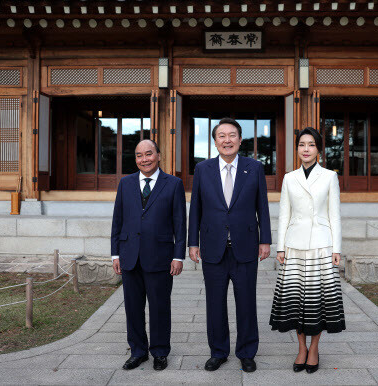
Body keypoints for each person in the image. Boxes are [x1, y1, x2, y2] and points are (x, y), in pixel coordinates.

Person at [188, 117, 272, 373]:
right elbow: (196, 210)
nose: (227, 140)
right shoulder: (202, 169)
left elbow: (262, 207)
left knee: (246, 301)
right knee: (215, 303)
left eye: (232, 135)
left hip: (245, 245)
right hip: (213, 246)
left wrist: (265, 239)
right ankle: (218, 352)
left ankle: (247, 352)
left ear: (240, 139)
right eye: (221, 136)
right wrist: (193, 242)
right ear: (214, 142)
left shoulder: (254, 168)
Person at [269, 127, 346, 374]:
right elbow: (284, 214)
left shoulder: (329, 177)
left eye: (311, 144)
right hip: (294, 244)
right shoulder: (289, 178)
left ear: (318, 149)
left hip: (321, 245)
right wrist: (280, 246)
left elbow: (335, 214)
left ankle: (314, 348)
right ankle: (301, 348)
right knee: (295, 302)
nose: (305, 149)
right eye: (302, 144)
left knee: (317, 301)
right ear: (297, 148)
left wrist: (337, 248)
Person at [111, 139, 186, 371]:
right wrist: (115, 254)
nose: (144, 159)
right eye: (139, 155)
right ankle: (138, 351)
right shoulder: (125, 184)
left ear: (159, 155)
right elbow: (118, 220)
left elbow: (180, 223)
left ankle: (160, 352)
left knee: (159, 307)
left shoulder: (173, 184)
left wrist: (178, 256)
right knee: (133, 308)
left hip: (161, 257)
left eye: (149, 154)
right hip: (129, 256)